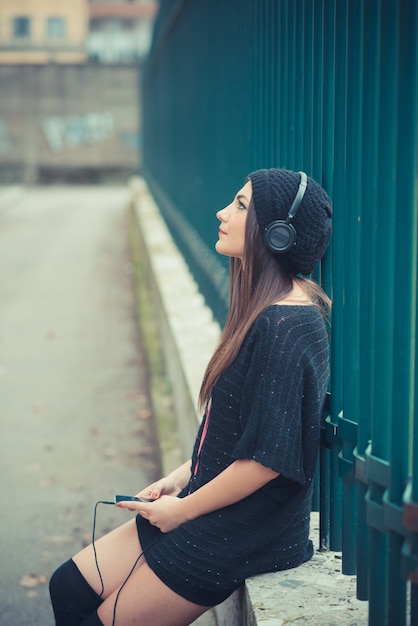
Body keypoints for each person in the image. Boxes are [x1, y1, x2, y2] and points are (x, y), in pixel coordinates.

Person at [49, 168, 332, 626]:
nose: (222, 212)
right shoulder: (265, 310)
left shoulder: (287, 325)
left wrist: (181, 512)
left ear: (277, 234)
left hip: (249, 529)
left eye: (241, 206)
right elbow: (237, 429)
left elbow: (266, 461)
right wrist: (180, 479)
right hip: (211, 501)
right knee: (68, 586)